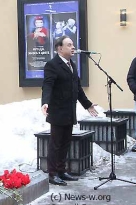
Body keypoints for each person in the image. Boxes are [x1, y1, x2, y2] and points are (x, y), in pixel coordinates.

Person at [41, 35, 98, 186]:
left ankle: (61, 170)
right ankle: (52, 174)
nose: (73, 47)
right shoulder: (52, 65)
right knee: (56, 144)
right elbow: (47, 85)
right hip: (57, 112)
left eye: (73, 45)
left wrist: (88, 105)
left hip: (69, 111)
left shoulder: (72, 65)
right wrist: (45, 102)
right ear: (60, 48)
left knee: (66, 142)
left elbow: (78, 89)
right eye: (69, 45)